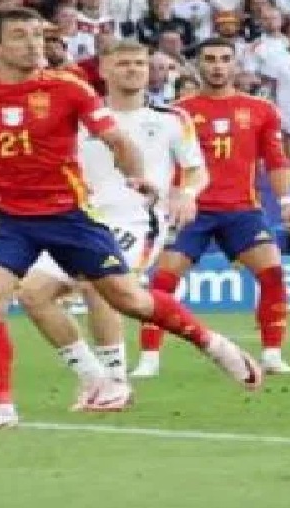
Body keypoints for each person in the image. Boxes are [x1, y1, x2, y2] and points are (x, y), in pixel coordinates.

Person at [0, 9, 261, 432]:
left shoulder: (68, 88)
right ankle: (5, 407)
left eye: (37, 34)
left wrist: (136, 176)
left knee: (128, 300)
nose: (33, 43)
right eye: (20, 35)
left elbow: (116, 139)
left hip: (69, 213)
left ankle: (212, 344)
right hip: (6, 215)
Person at [14, 40, 208, 412]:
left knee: (97, 284)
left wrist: (187, 193)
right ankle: (94, 379)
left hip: (136, 221)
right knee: (32, 293)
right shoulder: (78, 115)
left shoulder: (171, 119)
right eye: (123, 63)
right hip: (79, 220)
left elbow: (197, 169)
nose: (133, 69)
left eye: (139, 63)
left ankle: (116, 382)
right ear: (103, 70)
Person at [135, 39, 290, 379]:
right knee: (162, 281)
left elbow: (275, 160)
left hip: (242, 210)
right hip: (191, 209)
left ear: (235, 65)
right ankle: (149, 358)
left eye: (225, 59)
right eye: (210, 59)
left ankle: (272, 355)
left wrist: (286, 203)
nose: (217, 66)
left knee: (272, 273)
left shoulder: (261, 110)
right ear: (197, 65)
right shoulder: (178, 113)